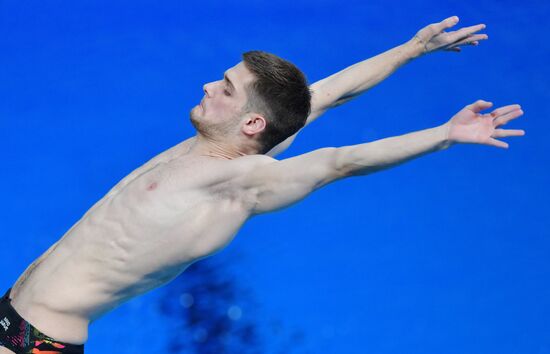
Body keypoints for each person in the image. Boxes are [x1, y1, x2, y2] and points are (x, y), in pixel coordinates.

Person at [0, 16, 522, 354]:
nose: (208, 86)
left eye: (225, 88)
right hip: (11, 311)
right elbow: (328, 95)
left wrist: (445, 134)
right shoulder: (215, 142)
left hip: (36, 342)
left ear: (251, 124)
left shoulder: (239, 182)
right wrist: (410, 50)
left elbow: (340, 161)